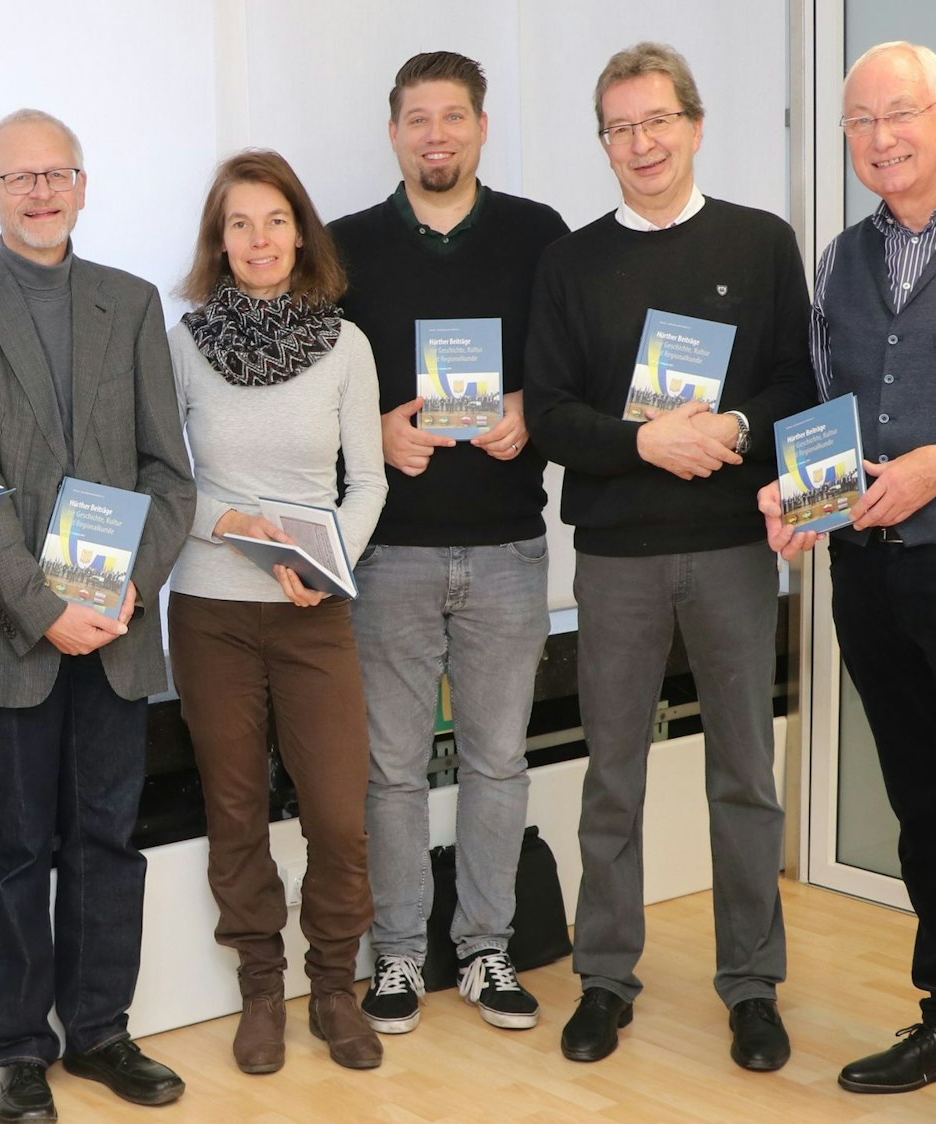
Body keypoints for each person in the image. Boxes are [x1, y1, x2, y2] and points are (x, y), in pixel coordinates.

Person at [523, 42, 813, 1072]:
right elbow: (549, 410)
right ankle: (605, 975)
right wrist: (644, 439)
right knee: (613, 771)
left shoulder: (761, 242)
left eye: (656, 121)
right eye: (619, 128)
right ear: (602, 142)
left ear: (693, 125)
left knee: (745, 771)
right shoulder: (570, 261)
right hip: (614, 556)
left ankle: (751, 984)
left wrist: (730, 427)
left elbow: (794, 381)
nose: (640, 144)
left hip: (732, 545)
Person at [0, 108, 195, 1122]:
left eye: (57, 173)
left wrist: (125, 591)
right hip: (10, 633)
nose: (40, 191)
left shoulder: (130, 300)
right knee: (20, 843)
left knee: (109, 835)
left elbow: (170, 474)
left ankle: (103, 1031)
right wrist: (44, 609)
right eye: (18, 177)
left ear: (82, 184)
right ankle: (21, 1048)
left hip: (116, 629)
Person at [762, 40, 936, 1099]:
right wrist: (795, 492)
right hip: (870, 576)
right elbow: (829, 404)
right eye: (859, 122)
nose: (879, 140)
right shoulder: (840, 256)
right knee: (924, 811)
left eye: (898, 114)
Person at [327, 50, 569, 1037]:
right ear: (393, 132)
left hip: (509, 546)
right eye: (417, 119)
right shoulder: (340, 249)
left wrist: (529, 409)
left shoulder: (537, 234)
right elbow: (316, 395)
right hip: (388, 550)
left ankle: (485, 946)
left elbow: (570, 367)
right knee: (389, 767)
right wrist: (372, 431)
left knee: (498, 759)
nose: (435, 135)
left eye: (453, 117)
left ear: (479, 127)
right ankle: (394, 954)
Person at [166, 149, 386, 1075]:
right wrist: (232, 520)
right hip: (210, 610)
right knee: (235, 809)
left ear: (302, 230)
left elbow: (367, 480)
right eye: (239, 223)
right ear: (219, 240)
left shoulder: (346, 345)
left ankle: (332, 986)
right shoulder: (178, 342)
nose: (259, 239)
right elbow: (162, 473)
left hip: (313, 610)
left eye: (274, 220)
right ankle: (261, 988)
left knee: (338, 814)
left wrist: (324, 564)